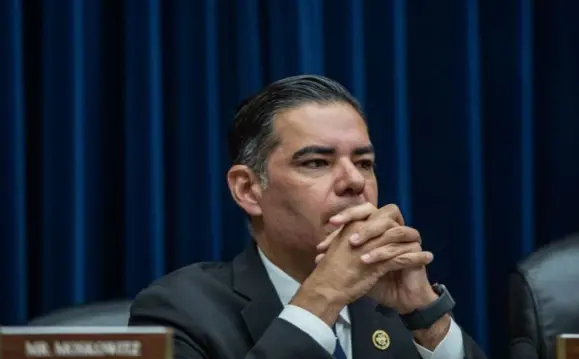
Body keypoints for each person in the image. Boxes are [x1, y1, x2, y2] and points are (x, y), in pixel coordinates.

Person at [128, 75, 487, 359]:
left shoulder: (394, 310)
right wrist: (323, 297)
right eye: (316, 163)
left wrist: (425, 315)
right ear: (247, 189)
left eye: (364, 163)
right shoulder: (179, 311)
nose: (354, 182)